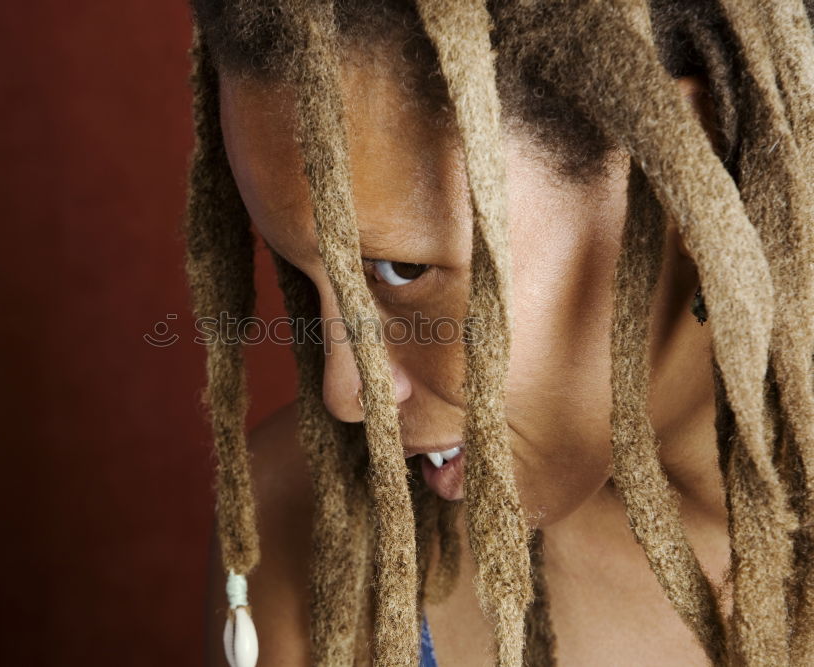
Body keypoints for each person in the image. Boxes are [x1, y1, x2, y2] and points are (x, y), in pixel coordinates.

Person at [184, 1, 814, 664]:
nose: (346, 393)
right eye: (299, 271)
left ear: (686, 168)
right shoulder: (305, 528)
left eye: (402, 269)